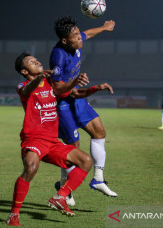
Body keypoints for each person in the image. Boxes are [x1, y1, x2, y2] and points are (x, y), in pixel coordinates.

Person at [7, 52, 113, 226]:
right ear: (25, 71)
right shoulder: (23, 85)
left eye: (36, 59)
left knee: (85, 161)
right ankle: (13, 215)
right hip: (34, 139)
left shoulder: (51, 84)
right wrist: (39, 77)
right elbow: (27, 90)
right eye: (32, 62)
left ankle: (60, 197)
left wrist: (96, 88)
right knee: (31, 168)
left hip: (53, 141)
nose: (37, 61)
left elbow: (76, 93)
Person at [49, 15, 117, 202]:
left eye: (79, 34)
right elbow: (56, 89)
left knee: (99, 132)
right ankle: (65, 189)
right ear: (65, 40)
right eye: (76, 36)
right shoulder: (58, 56)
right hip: (63, 103)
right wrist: (74, 83)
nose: (81, 38)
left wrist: (104, 28)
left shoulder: (76, 42)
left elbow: (88, 33)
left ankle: (98, 179)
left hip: (76, 96)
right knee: (73, 150)